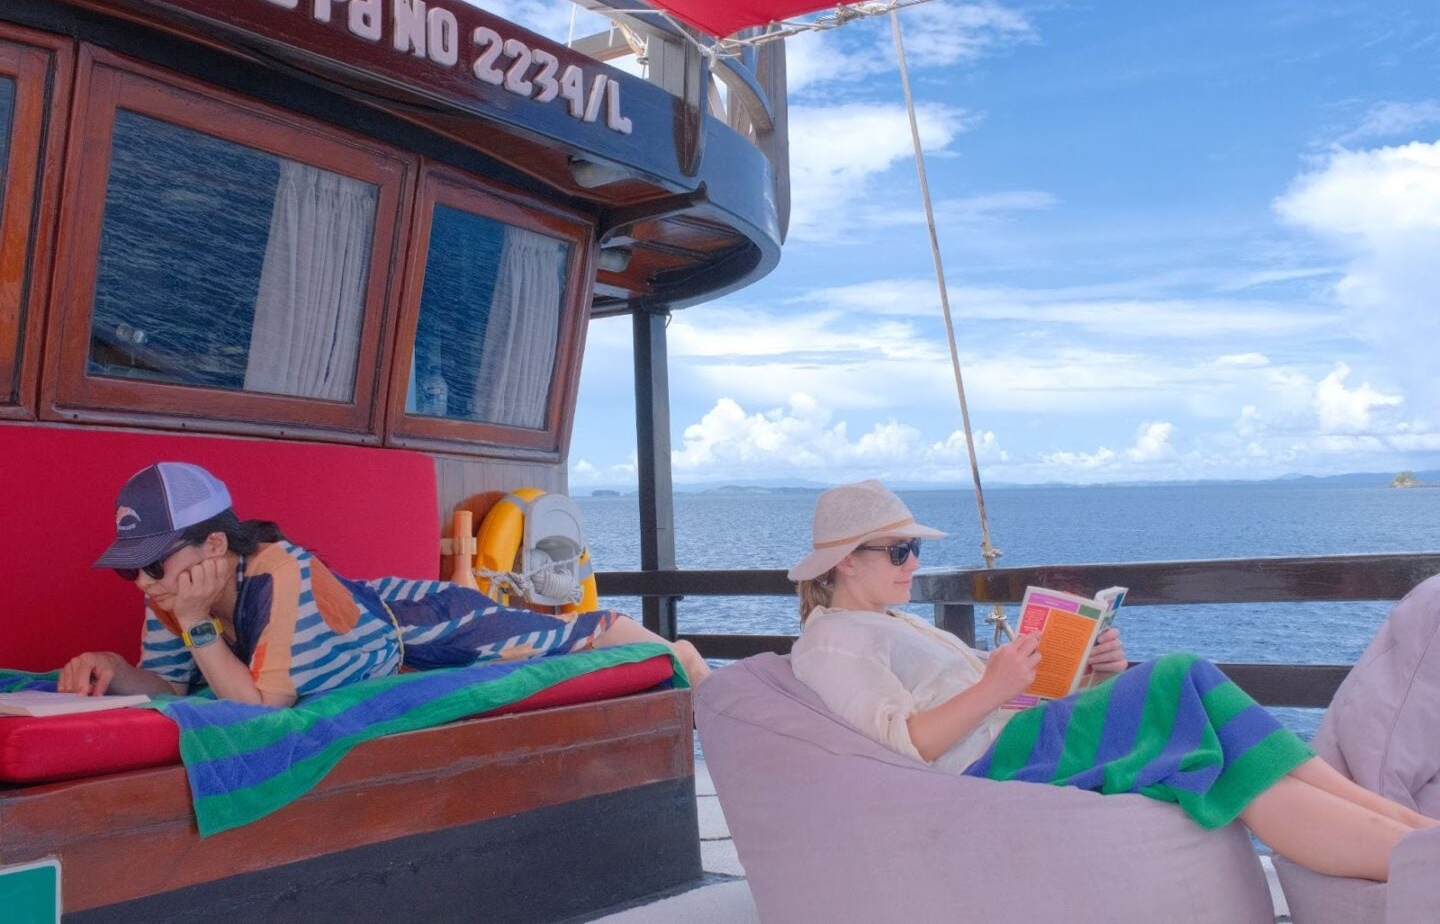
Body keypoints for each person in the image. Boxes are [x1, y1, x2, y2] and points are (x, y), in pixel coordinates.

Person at [787, 479, 1437, 883]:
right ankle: (1412, 844)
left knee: (1220, 746)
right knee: (1183, 674)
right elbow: (902, 745)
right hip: (995, 766)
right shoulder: (832, 641)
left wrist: (1086, 673)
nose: (914, 562)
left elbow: (979, 705)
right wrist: (992, 683)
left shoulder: (885, 621)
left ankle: (1412, 835)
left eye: (916, 547)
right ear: (847, 560)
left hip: (1017, 737)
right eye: (900, 550)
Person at [60, 462, 708, 707]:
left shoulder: (279, 570)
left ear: (215, 545)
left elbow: (260, 706)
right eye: (130, 567)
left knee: (565, 635)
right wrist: (117, 668)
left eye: (152, 561)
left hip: (414, 619)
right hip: (369, 622)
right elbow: (178, 683)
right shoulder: (174, 591)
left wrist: (199, 622)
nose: (142, 580)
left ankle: (688, 664)